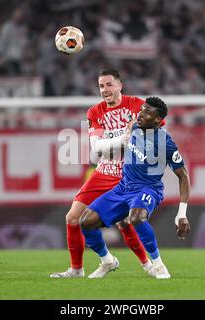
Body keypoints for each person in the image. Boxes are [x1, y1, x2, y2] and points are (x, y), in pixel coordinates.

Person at [50, 69, 154, 278]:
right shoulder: (95, 112)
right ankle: (79, 269)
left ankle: (148, 264)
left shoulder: (137, 105)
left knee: (124, 222)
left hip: (128, 175)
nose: (105, 90)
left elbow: (158, 130)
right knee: (72, 217)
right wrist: (123, 140)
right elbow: (97, 148)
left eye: (109, 84)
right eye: (101, 86)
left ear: (119, 86)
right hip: (103, 172)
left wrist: (140, 136)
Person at [79, 96, 191, 279]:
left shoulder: (166, 142)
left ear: (157, 120)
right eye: (142, 109)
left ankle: (158, 265)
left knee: (136, 217)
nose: (141, 114)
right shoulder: (134, 126)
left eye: (147, 112)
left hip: (148, 189)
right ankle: (107, 261)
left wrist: (182, 213)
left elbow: (183, 176)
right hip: (123, 188)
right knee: (86, 222)